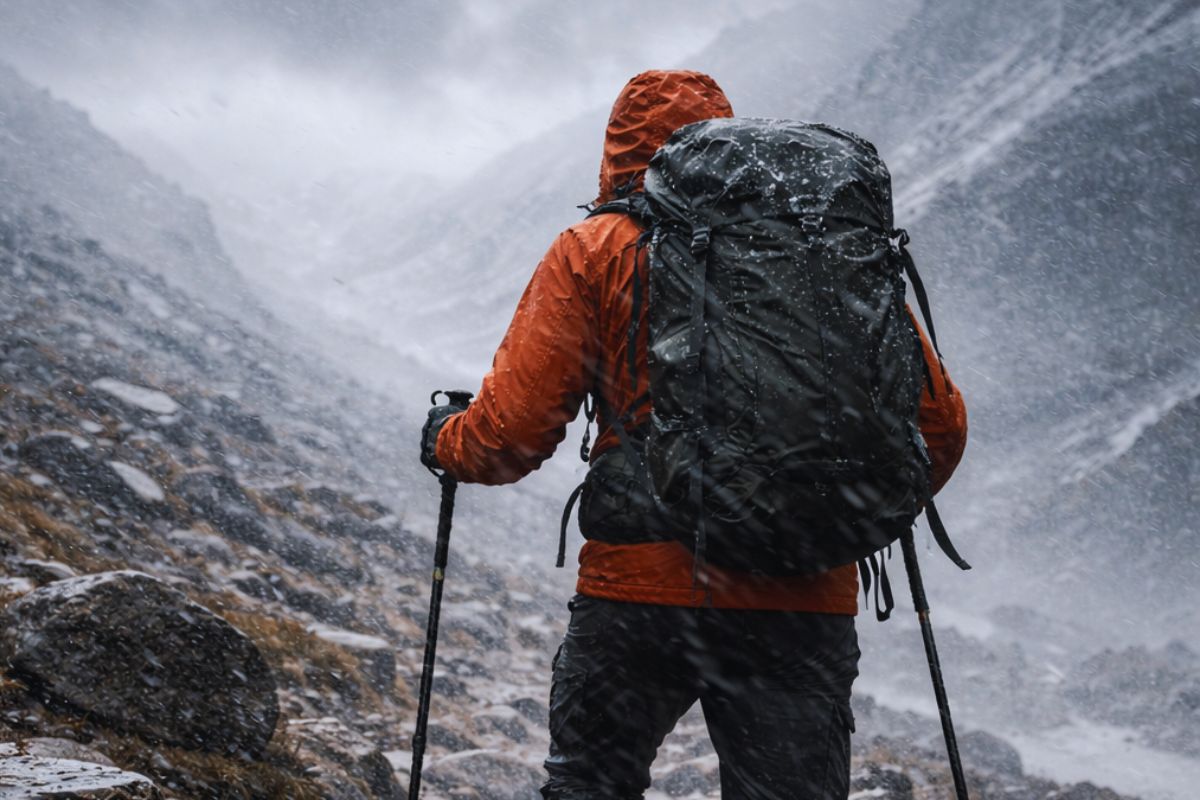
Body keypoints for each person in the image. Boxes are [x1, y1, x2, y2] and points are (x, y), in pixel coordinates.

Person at [421, 69, 967, 800]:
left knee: (591, 786)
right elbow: (939, 427)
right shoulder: (818, 249)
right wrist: (821, 508)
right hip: (799, 601)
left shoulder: (595, 249)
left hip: (638, 591)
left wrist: (445, 440)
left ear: (615, 153)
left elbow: (510, 436)